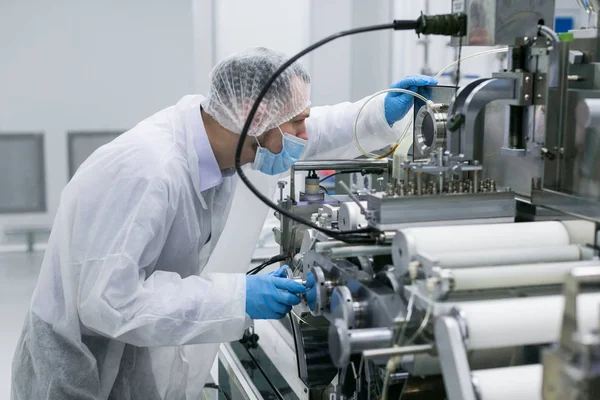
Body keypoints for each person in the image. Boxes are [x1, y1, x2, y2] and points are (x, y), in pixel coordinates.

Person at [11, 46, 437, 399]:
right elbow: (109, 301)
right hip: (75, 366)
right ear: (254, 120)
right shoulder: (149, 172)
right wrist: (238, 296)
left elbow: (309, 129)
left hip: (125, 356)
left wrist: (378, 112)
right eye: (296, 122)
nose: (304, 134)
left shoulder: (226, 138)